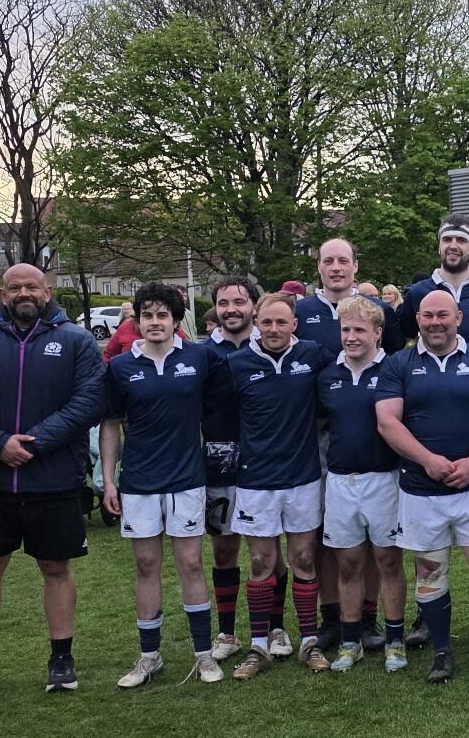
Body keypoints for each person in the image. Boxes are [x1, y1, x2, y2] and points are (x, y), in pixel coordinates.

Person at [0, 263, 105, 697]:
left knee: (56, 567)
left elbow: (88, 402)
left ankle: (61, 658)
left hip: (54, 479)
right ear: (2, 294)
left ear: (47, 291)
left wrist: (33, 443)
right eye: (15, 287)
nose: (24, 293)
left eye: (32, 286)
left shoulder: (77, 341)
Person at [376, 290, 469, 686]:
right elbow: (387, 422)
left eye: (443, 315)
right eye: (427, 316)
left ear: (458, 317)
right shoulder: (399, 363)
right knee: (429, 570)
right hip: (421, 489)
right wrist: (428, 460)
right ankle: (442, 651)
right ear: (417, 319)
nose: (435, 322)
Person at [101, 283, 233, 687]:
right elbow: (110, 425)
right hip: (139, 480)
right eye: (147, 315)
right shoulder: (120, 367)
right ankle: (149, 657)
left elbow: (223, 407)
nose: (154, 322)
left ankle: (204, 655)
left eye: (163, 315)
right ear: (137, 320)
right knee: (146, 566)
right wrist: (108, 480)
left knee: (191, 564)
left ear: (176, 321)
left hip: (187, 478)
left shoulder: (201, 357)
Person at [295, 239, 403, 639]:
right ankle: (332, 618)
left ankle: (369, 617)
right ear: (319, 267)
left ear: (355, 266)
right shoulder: (301, 310)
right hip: (324, 435)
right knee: (330, 537)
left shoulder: (378, 310)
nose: (336, 267)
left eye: (343, 260)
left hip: (371, 438)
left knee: (375, 542)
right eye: (329, 260)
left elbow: (393, 364)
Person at [226, 294, 334, 674]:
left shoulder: (312, 355)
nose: (274, 329)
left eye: (281, 322)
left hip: (302, 476)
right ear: (256, 323)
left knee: (303, 559)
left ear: (294, 325)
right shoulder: (237, 364)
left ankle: (309, 643)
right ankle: (259, 646)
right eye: (267, 322)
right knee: (261, 562)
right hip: (256, 479)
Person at [317, 297, 411, 672]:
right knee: (349, 564)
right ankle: (350, 641)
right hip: (340, 481)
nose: (352, 337)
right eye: (346, 329)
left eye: (360, 329)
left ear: (378, 333)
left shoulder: (394, 370)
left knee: (388, 561)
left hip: (384, 479)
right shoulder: (328, 375)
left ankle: (395, 641)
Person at [200, 275, 260, 662]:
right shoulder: (202, 354)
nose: (231, 309)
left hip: (265, 463)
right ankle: (226, 633)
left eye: (239, 302)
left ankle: (272, 629)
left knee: (265, 551)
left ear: (253, 304)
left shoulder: (272, 345)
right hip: (217, 463)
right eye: (223, 303)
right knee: (224, 550)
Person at [400, 214, 469, 354]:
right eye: (447, 239)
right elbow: (401, 340)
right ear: (439, 247)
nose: (453, 246)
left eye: (461, 240)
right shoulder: (417, 292)